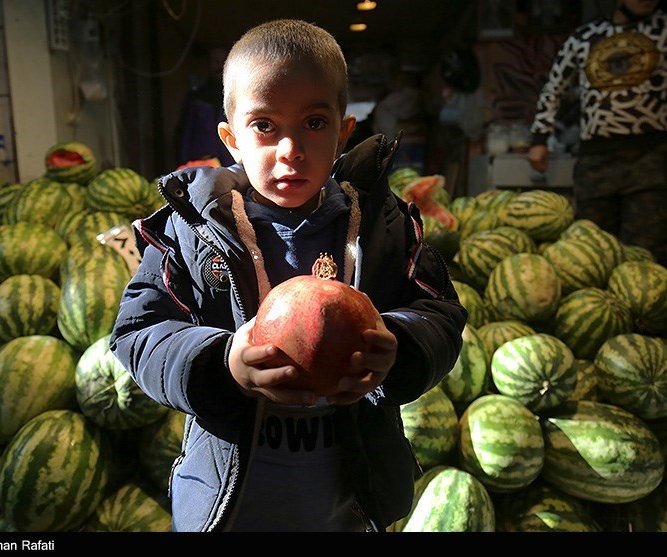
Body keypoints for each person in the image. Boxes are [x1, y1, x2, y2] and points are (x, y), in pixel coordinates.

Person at [110, 19, 467, 532]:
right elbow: (137, 333)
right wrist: (220, 361)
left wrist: (401, 345)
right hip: (231, 503)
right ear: (231, 139)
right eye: (265, 126)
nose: (290, 149)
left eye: (315, 123)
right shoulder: (192, 230)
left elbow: (442, 314)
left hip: (350, 498)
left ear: (346, 132)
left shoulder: (384, 226)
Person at [527, 0, 667, 266]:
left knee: (647, 253)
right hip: (596, 161)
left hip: (652, 159)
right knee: (590, 252)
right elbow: (554, 89)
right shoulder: (585, 37)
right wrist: (539, 139)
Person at [174, 45, 235, 168]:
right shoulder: (196, 97)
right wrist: (183, 164)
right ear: (208, 64)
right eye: (215, 61)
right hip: (201, 165)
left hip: (231, 164)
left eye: (223, 61)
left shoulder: (237, 95)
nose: (219, 66)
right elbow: (184, 134)